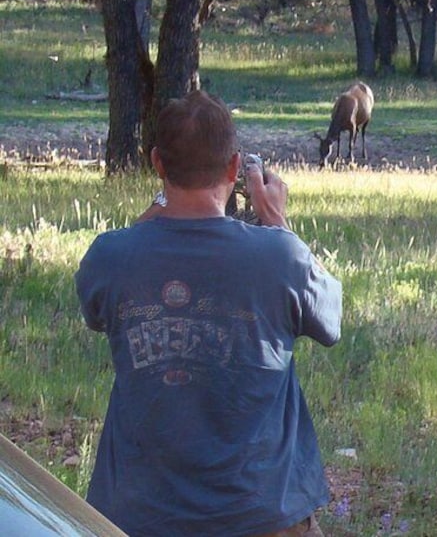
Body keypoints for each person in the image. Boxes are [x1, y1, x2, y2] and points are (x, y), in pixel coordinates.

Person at [76, 90, 342, 537]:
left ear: (157, 163)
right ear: (235, 168)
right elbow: (330, 321)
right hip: (263, 511)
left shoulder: (110, 256)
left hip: (138, 516)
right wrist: (276, 219)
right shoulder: (280, 256)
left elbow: (94, 309)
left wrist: (159, 208)